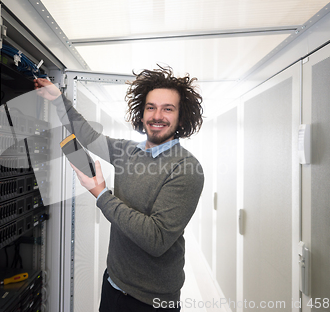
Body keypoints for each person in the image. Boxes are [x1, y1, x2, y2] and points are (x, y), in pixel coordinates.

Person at [34, 66, 204, 312]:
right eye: (151, 107)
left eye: (168, 108)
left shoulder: (186, 169)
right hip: (113, 283)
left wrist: (101, 194)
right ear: (142, 113)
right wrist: (60, 101)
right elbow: (89, 136)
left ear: (181, 117)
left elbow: (156, 239)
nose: (157, 115)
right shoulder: (128, 151)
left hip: (152, 301)